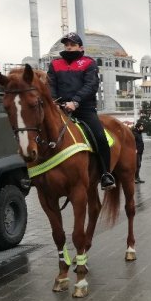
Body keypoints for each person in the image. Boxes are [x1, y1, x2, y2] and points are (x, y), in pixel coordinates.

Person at [47, 32, 115, 190]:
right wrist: (55, 102)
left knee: (99, 136)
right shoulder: (55, 64)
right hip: (61, 108)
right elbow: (51, 86)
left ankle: (106, 173)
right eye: (66, 45)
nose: (69, 47)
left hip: (84, 108)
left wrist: (76, 101)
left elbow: (91, 85)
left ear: (80, 47)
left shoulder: (88, 63)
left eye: (72, 44)